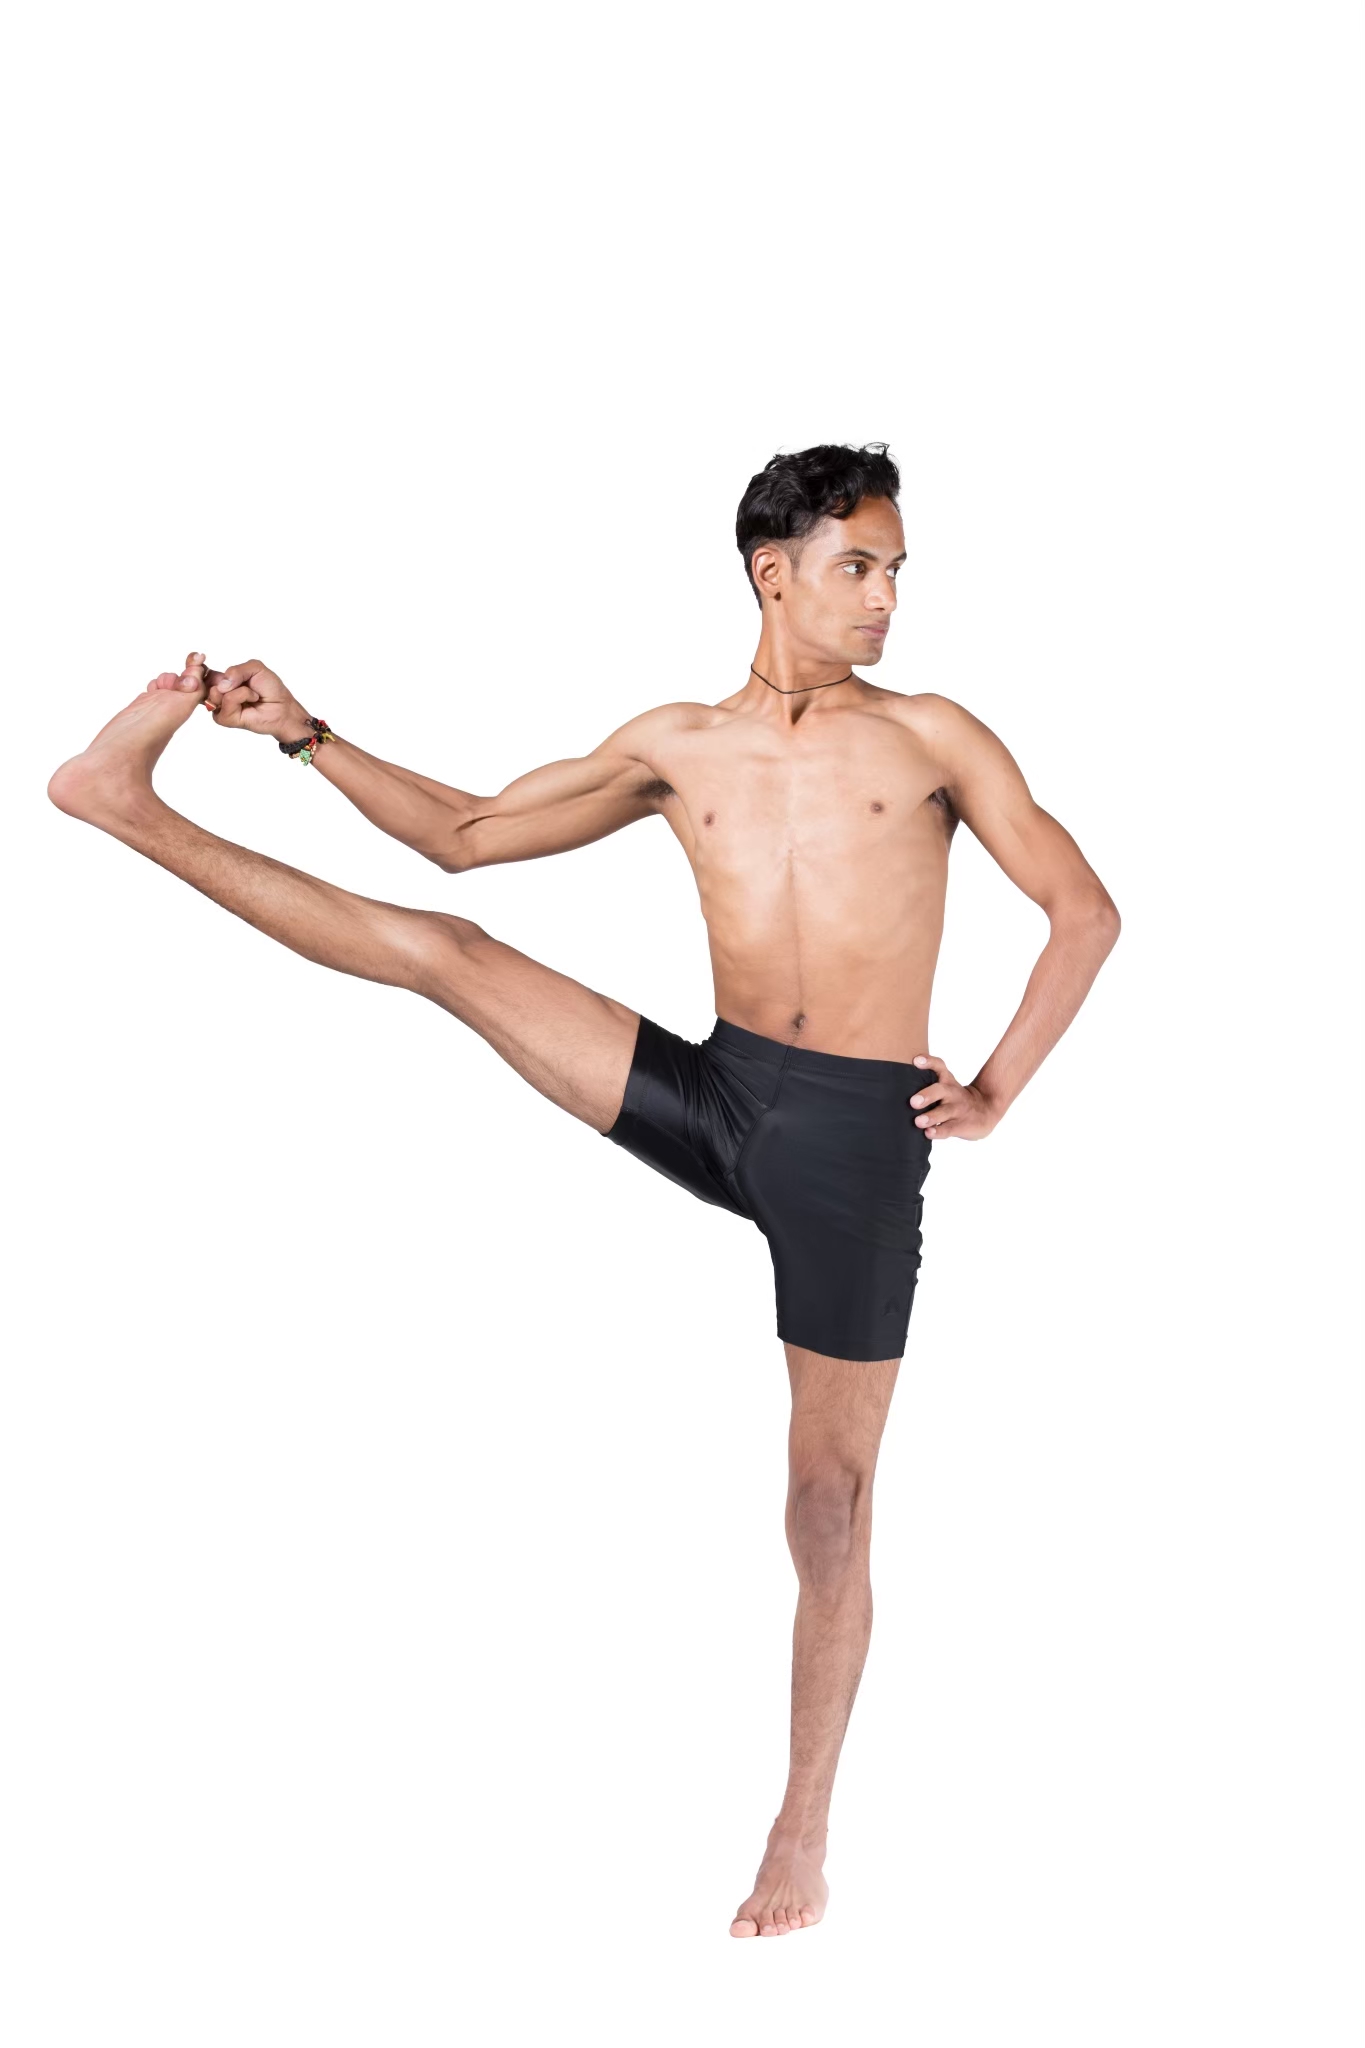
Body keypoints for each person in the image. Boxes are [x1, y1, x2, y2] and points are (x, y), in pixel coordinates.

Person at [48, 441, 1120, 1937]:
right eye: (858, 566)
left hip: (851, 1151)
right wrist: (304, 736)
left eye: (895, 571)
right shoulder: (676, 745)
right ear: (774, 574)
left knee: (827, 1506)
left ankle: (800, 1830)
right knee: (448, 954)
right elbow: (469, 836)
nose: (885, 598)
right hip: (719, 1091)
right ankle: (121, 802)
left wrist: (996, 1089)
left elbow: (1083, 912)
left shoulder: (934, 736)